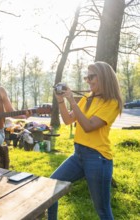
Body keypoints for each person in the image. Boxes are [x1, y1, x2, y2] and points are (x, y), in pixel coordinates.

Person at [48, 61, 123, 220]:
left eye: (91, 77)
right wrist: (61, 100)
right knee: (50, 188)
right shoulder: (88, 98)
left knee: (102, 209)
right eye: (86, 77)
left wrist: (72, 101)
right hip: (79, 155)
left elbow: (89, 126)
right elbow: (68, 120)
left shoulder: (112, 102)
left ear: (103, 77)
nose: (87, 80)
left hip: (98, 158)